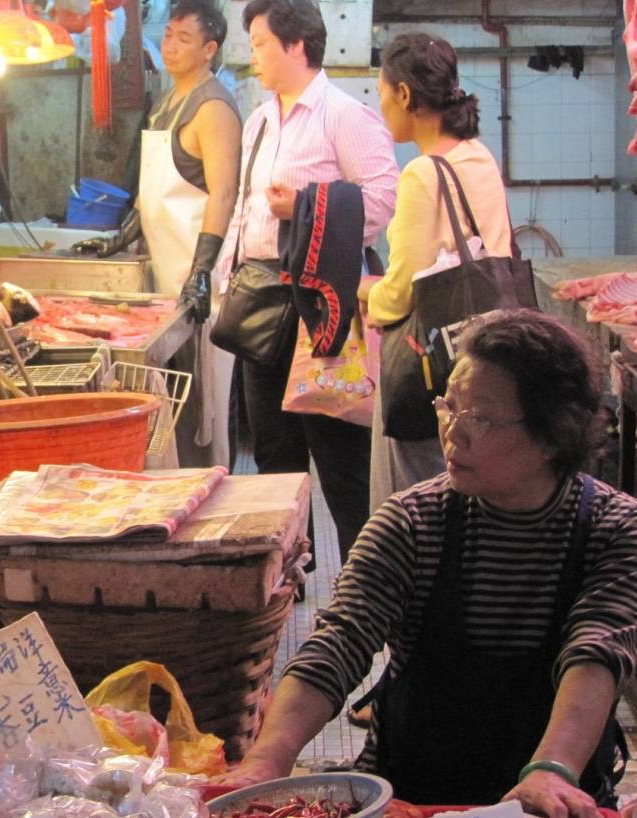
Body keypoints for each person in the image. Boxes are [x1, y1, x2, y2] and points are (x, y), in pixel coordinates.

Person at [220, 310, 637, 814]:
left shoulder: (620, 529)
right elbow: (340, 641)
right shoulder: (412, 521)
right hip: (409, 795)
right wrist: (269, 760)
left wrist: (552, 769)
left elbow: (596, 652)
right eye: (447, 408)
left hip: (550, 802)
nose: (453, 433)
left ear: (551, 435)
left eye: (479, 419)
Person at [217, 0, 398, 556]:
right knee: (273, 453)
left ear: (297, 45)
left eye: (262, 44)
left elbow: (382, 197)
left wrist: (306, 207)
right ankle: (288, 575)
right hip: (262, 299)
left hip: (322, 304)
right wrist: (224, 275)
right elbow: (245, 210)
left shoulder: (344, 115)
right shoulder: (259, 119)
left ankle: (365, 582)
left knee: (340, 456)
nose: (254, 57)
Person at [72, 0, 242, 468]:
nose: (170, 46)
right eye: (167, 35)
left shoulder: (213, 109)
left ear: (209, 49)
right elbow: (153, 193)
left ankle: (212, 509)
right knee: (176, 409)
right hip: (167, 284)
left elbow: (224, 194)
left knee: (205, 414)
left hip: (200, 286)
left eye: (184, 39)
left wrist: (202, 272)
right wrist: (120, 238)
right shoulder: (169, 101)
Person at [362, 33, 513, 511]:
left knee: (413, 501)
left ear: (405, 95)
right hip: (489, 356)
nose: (382, 107)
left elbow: (404, 288)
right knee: (473, 498)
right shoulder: (480, 157)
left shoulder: (424, 173)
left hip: (431, 368)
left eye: (383, 94)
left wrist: (369, 296)